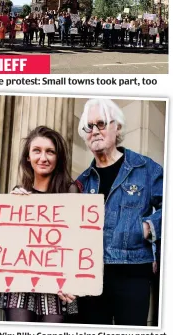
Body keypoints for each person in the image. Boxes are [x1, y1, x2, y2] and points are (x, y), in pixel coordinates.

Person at [75, 98, 163, 327]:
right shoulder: (81, 182)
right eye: (89, 126)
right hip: (91, 276)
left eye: (101, 123)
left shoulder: (145, 168)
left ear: (118, 127)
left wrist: (147, 227)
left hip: (133, 272)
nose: (94, 131)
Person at [0, 126, 81, 323]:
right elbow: (7, 247)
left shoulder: (71, 192)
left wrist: (70, 280)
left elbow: (77, 242)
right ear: (28, 157)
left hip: (58, 287)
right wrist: (10, 212)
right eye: (37, 150)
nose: (43, 157)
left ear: (58, 157)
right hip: (21, 286)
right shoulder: (19, 193)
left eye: (50, 151)